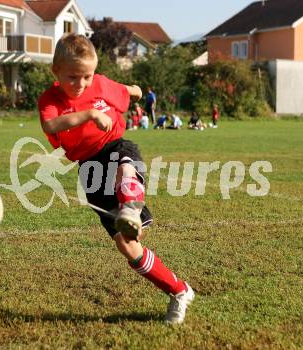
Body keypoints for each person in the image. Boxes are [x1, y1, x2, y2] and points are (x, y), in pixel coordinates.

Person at [38, 34, 194, 324]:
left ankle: (130, 208)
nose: (82, 83)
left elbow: (123, 90)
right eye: (73, 77)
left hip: (116, 147)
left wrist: (134, 90)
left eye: (87, 76)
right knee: (127, 246)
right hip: (89, 168)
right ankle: (179, 290)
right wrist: (89, 115)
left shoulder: (101, 84)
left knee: (125, 167)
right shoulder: (50, 100)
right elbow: (50, 123)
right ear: (56, 72)